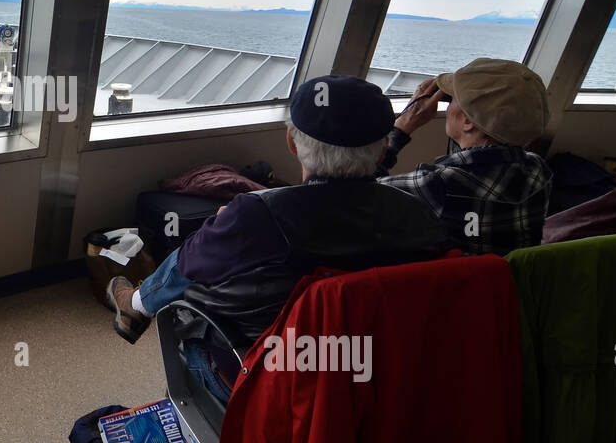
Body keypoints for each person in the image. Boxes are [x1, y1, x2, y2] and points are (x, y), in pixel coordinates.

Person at [107, 75, 452, 346]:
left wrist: (223, 226)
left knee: (198, 248)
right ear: (380, 155)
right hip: (376, 368)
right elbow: (353, 197)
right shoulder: (419, 216)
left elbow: (192, 266)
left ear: (291, 143)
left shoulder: (258, 215)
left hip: (257, 371)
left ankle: (137, 305)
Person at [378, 58, 553, 255]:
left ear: (468, 121)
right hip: (508, 280)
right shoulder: (538, 169)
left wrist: (403, 125)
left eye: (451, 100)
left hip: (456, 283)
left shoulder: (438, 184)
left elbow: (357, 193)